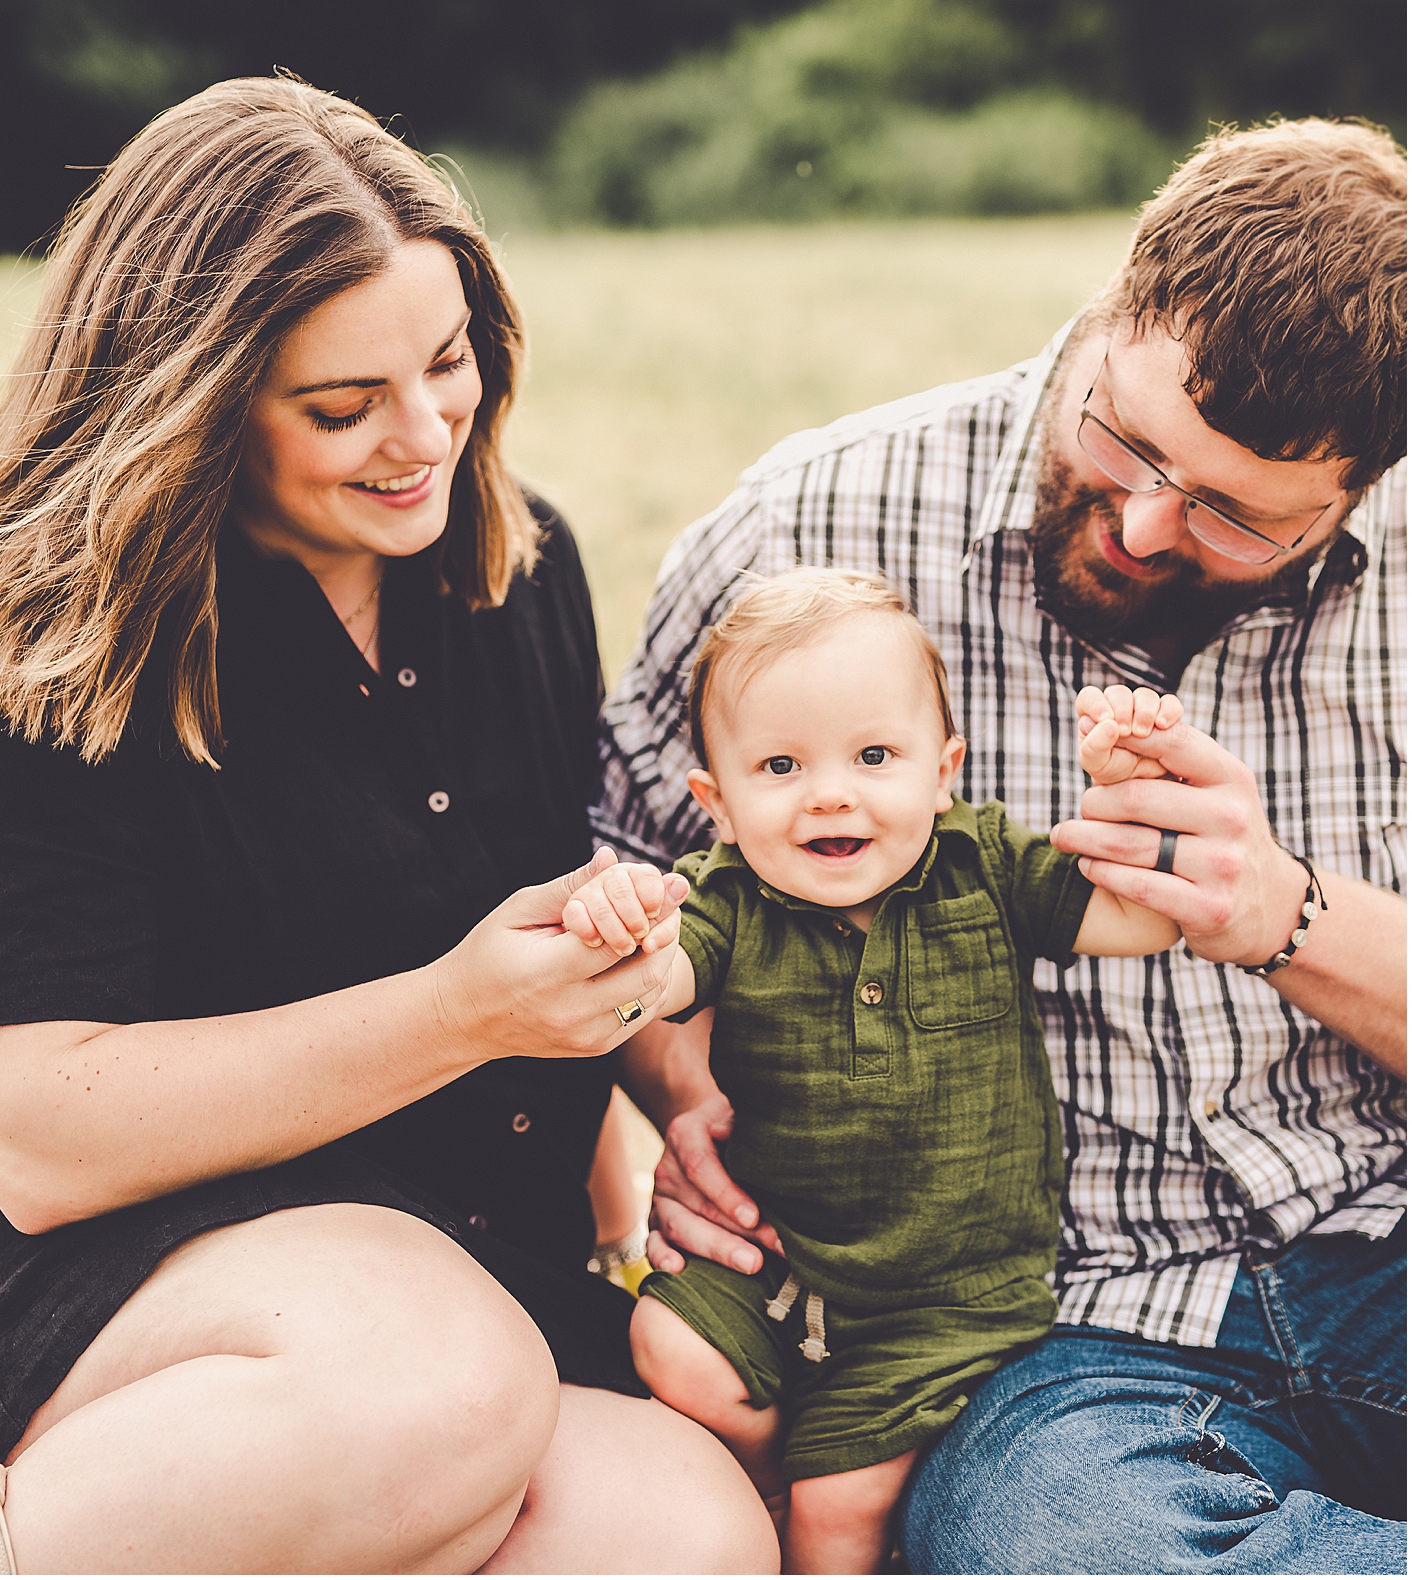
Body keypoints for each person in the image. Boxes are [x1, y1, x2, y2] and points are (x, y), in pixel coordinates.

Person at [0, 78, 776, 1575]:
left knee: (680, 1534)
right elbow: (39, 1140)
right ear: (193, 406)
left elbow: (534, 897)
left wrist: (667, 1087)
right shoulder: (46, 653)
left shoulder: (516, 570)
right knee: (441, 1383)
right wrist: (461, 1012)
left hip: (422, 1256)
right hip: (19, 1269)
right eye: (341, 408)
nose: (423, 435)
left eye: (449, 363)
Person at [598, 118, 1407, 1572]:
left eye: (1233, 515)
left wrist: (1287, 914)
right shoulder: (806, 524)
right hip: (1056, 1329)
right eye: (1126, 437)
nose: (1149, 525)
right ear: (1117, 305)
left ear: (1353, 496)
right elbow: (627, 892)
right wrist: (679, 1088)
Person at [565, 570, 1183, 1571]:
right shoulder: (726, 899)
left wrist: (1122, 792)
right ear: (716, 804)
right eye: (779, 764)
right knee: (667, 1346)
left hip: (945, 1293)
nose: (831, 791)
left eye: (873, 755)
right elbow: (655, 979)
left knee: (838, 1505)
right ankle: (763, 1475)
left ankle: (812, 1505)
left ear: (942, 772)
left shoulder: (981, 865)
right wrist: (625, 929)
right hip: (784, 1256)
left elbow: (1142, 916)